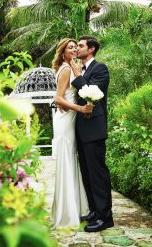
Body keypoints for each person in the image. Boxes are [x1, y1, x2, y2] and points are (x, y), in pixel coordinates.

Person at [70, 36, 114, 232]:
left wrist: (78, 75)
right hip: (80, 129)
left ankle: (106, 218)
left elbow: (90, 91)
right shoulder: (82, 70)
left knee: (98, 175)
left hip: (94, 130)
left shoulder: (100, 69)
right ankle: (95, 211)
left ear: (92, 49)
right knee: (87, 174)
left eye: (81, 46)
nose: (77, 49)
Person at [51, 38, 93, 229]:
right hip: (66, 120)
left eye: (76, 47)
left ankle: (74, 208)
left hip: (69, 118)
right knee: (67, 160)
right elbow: (58, 99)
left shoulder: (68, 67)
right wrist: (80, 108)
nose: (75, 49)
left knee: (70, 160)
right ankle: (67, 212)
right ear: (63, 52)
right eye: (71, 47)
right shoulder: (66, 69)